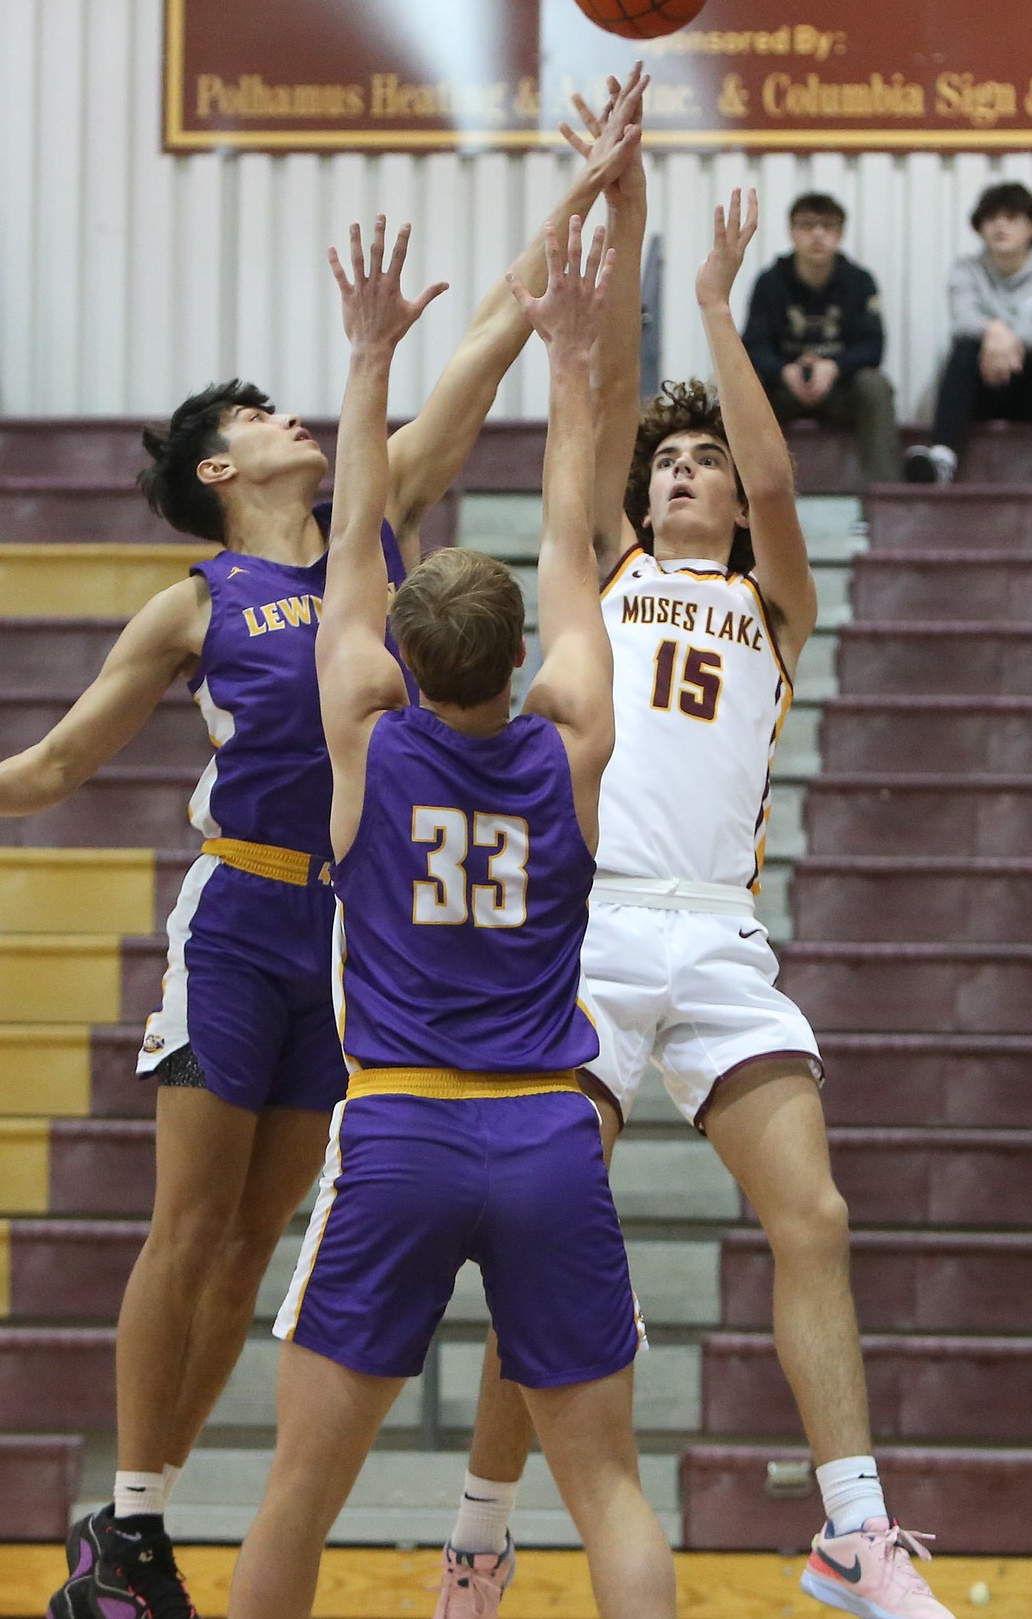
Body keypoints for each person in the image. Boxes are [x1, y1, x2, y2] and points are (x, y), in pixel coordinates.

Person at [0, 76, 645, 1619]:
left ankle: (155, 1516)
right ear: (220, 473)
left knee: (255, 1245)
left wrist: (581, 197)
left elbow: (500, 327)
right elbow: (65, 755)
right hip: (244, 918)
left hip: (358, 937)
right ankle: (125, 1518)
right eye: (252, 415)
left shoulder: (385, 531)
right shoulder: (193, 603)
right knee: (190, 1222)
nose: (290, 414)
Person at [437, 105, 955, 1619]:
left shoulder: (770, 602)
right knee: (546, 1249)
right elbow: (590, 381)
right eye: (664, 463)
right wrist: (628, 196)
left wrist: (722, 311)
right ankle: (478, 1531)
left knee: (818, 1220)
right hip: (588, 942)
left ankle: (850, 1534)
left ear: (728, 497)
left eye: (699, 465)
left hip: (718, 940)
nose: (678, 474)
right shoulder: (603, 575)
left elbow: (784, 489)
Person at [227, 207, 676, 1619]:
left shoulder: (364, 736)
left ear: (402, 660)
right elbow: (567, 524)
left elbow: (352, 531)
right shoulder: (572, 740)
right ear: (515, 663)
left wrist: (368, 357)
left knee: (298, 1489)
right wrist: (580, 362)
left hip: (405, 1125)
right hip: (547, 1126)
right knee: (607, 1490)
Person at [742, 191, 899, 484]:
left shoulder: (859, 280)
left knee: (875, 386)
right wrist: (783, 371)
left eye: (827, 227)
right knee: (738, 387)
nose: (817, 235)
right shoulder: (770, 281)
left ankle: (885, 496)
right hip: (783, 390)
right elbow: (751, 345)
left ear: (840, 234)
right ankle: (737, 490)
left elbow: (872, 347)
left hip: (837, 391)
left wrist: (834, 366)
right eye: (807, 226)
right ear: (792, 232)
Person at [905, 181, 1032, 485]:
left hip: (1025, 383)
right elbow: (964, 319)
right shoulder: (966, 269)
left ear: (1030, 228)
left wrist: (1006, 338)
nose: (1000, 225)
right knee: (964, 350)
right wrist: (994, 329)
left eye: (1011, 217)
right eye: (991, 218)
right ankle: (943, 459)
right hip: (983, 387)